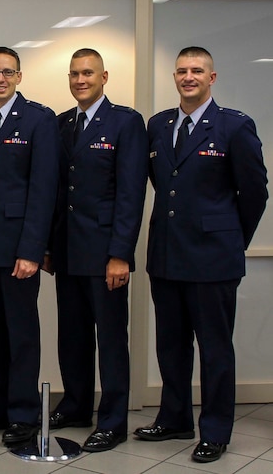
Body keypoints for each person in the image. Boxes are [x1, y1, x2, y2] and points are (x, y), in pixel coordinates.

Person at [135, 46, 267, 463]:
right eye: (181, 71)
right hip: (168, 256)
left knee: (214, 348)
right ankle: (174, 418)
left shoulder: (234, 127)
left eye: (197, 70)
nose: (188, 77)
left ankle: (214, 430)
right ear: (174, 78)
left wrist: (230, 238)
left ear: (212, 78)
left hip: (213, 259)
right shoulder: (159, 125)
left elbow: (255, 193)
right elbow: (164, 184)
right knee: (171, 345)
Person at [45, 48, 148, 452]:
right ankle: (75, 405)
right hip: (69, 250)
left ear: (104, 76)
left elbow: (131, 193)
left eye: (87, 73)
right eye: (74, 74)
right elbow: (57, 193)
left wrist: (120, 253)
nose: (80, 80)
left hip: (105, 252)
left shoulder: (125, 122)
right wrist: (51, 247)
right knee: (71, 336)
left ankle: (113, 419)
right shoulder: (61, 123)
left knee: (109, 338)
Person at [0, 47, 59, 446]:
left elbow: (44, 189)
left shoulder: (39, 119)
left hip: (19, 247)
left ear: (19, 76)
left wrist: (32, 249)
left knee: (21, 333)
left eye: (8, 72)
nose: (0, 79)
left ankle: (22, 412)